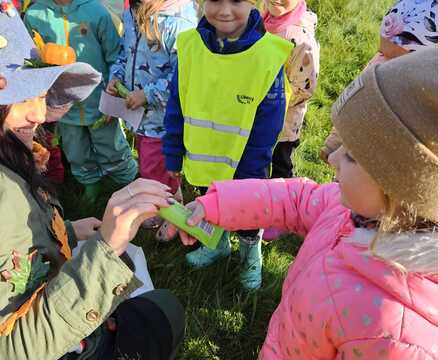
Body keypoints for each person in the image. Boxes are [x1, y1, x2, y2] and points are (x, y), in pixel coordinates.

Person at [0, 1, 184, 359]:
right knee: (163, 313)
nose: (41, 113)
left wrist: (69, 233)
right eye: (20, 96)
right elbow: (7, 350)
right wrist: (106, 249)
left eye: (40, 92)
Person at [171, 42, 438, 359]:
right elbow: (294, 198)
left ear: (402, 188)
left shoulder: (397, 339)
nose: (332, 159)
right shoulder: (354, 208)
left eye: (350, 155)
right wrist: (214, 206)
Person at [161, 0, 293, 290]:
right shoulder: (189, 47)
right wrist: (173, 154)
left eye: (236, 1)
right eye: (214, 0)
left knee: (247, 215)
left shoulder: (267, 56)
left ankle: (250, 254)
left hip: (246, 167)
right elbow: (176, 104)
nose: (224, 11)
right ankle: (216, 244)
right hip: (200, 162)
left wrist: (250, 172)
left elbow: (267, 126)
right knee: (207, 207)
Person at [24, 0, 138, 204]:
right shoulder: (35, 15)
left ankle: (127, 182)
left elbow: (114, 54)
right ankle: (90, 184)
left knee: (110, 145)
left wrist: (113, 92)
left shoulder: (95, 11)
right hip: (62, 102)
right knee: (75, 149)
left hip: (99, 98)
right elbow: (29, 58)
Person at [320, 0, 438, 161]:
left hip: (423, 107)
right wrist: (424, 69)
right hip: (382, 83)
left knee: (380, 163)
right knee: (341, 148)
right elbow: (388, 44)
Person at [106, 0, 197, 232]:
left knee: (152, 167)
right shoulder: (132, 13)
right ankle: (172, 197)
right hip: (139, 114)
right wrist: (116, 76)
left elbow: (184, 75)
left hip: (163, 119)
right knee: (155, 163)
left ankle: (161, 210)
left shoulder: (178, 24)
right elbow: (124, 54)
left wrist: (147, 95)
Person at [261, 0, 320, 241]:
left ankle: (282, 214)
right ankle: (260, 202)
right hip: (259, 114)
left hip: (284, 122)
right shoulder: (262, 17)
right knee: (260, 160)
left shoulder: (299, 40)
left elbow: (305, 88)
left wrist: (270, 101)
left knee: (280, 165)